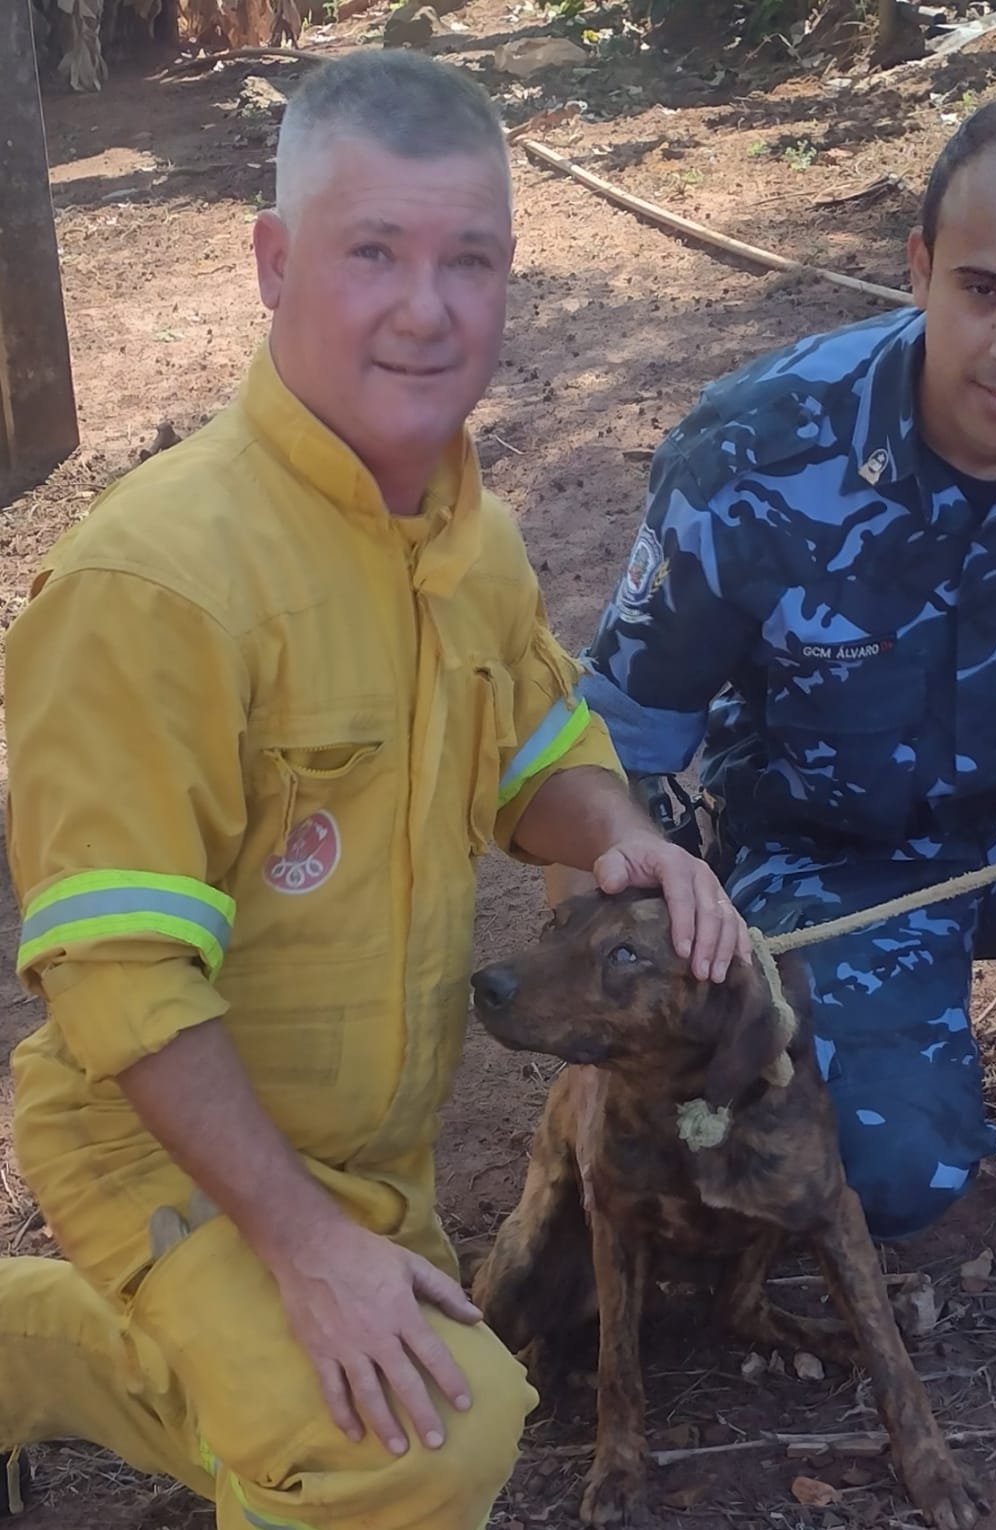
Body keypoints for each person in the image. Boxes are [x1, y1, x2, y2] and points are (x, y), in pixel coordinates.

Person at [0, 52, 748, 1530]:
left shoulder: (472, 538)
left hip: (368, 1150)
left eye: (468, 259)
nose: (428, 307)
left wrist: (633, 848)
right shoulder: (157, 580)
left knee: (399, 1402)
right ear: (275, 263)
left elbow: (542, 763)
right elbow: (125, 978)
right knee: (416, 1450)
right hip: (161, 1146)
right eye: (374, 254)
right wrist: (301, 1242)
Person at [571, 89, 996, 1340]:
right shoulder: (756, 451)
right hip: (826, 866)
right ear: (917, 270)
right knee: (895, 1180)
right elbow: (616, 746)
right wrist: (666, 947)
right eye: (980, 288)